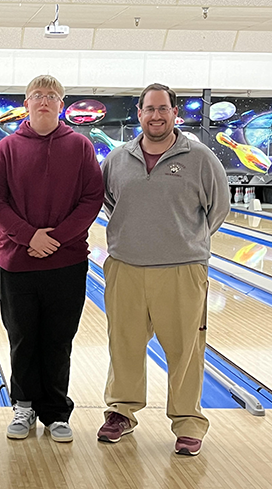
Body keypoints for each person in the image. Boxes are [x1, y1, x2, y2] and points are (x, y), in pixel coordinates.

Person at [99, 83, 230, 456]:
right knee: (123, 345)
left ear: (176, 114)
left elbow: (218, 208)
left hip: (181, 269)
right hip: (126, 266)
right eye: (148, 109)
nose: (155, 115)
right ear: (138, 114)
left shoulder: (200, 157)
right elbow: (111, 201)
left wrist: (186, 240)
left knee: (185, 349)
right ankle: (121, 412)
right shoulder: (118, 158)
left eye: (163, 109)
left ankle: (188, 423)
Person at [0, 75, 103, 443]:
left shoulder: (81, 146)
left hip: (66, 262)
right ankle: (23, 405)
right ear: (26, 102)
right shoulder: (5, 148)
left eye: (51, 95)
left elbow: (91, 199)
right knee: (22, 338)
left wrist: (55, 239)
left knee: (58, 339)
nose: (44, 100)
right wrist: (30, 237)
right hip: (16, 262)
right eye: (37, 95)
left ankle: (55, 411)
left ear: (61, 104)